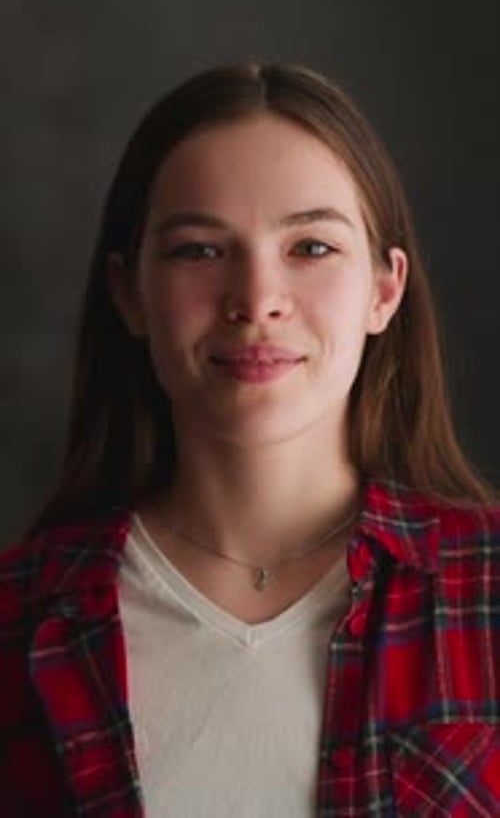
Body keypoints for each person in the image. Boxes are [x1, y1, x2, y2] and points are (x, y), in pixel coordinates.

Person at [1, 63, 499, 818]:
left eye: (312, 248)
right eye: (199, 250)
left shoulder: (485, 594)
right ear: (128, 291)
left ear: (384, 290)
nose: (257, 299)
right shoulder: (20, 622)